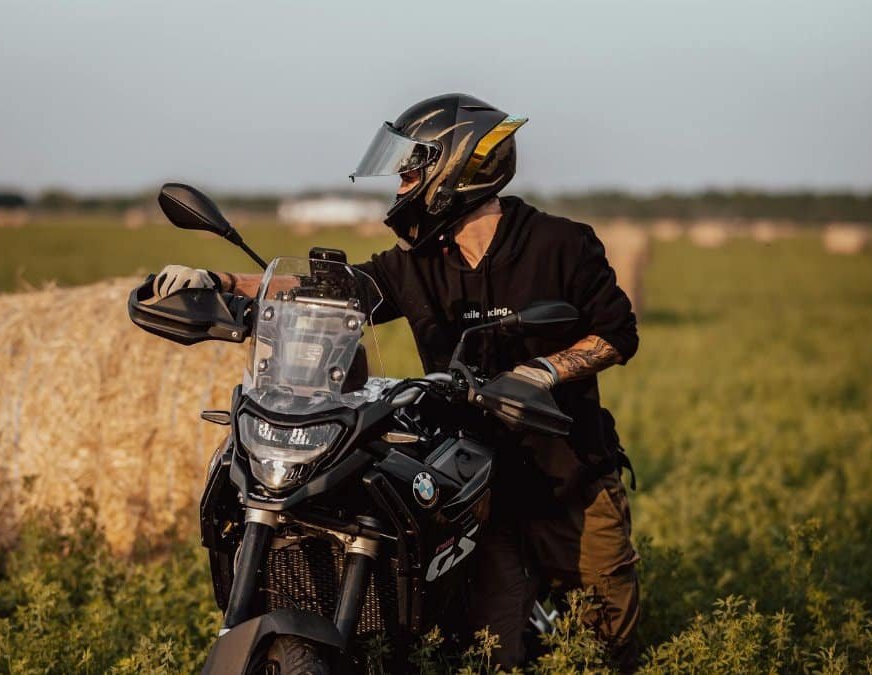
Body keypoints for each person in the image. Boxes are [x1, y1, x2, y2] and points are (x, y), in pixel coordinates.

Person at [155, 93, 641, 671]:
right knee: (492, 650)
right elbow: (336, 289)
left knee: (608, 642)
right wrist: (223, 280)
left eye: (412, 167)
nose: (402, 181)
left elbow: (616, 333)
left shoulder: (560, 243)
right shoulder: (417, 260)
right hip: (471, 480)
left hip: (568, 472)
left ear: (457, 167)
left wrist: (542, 371)